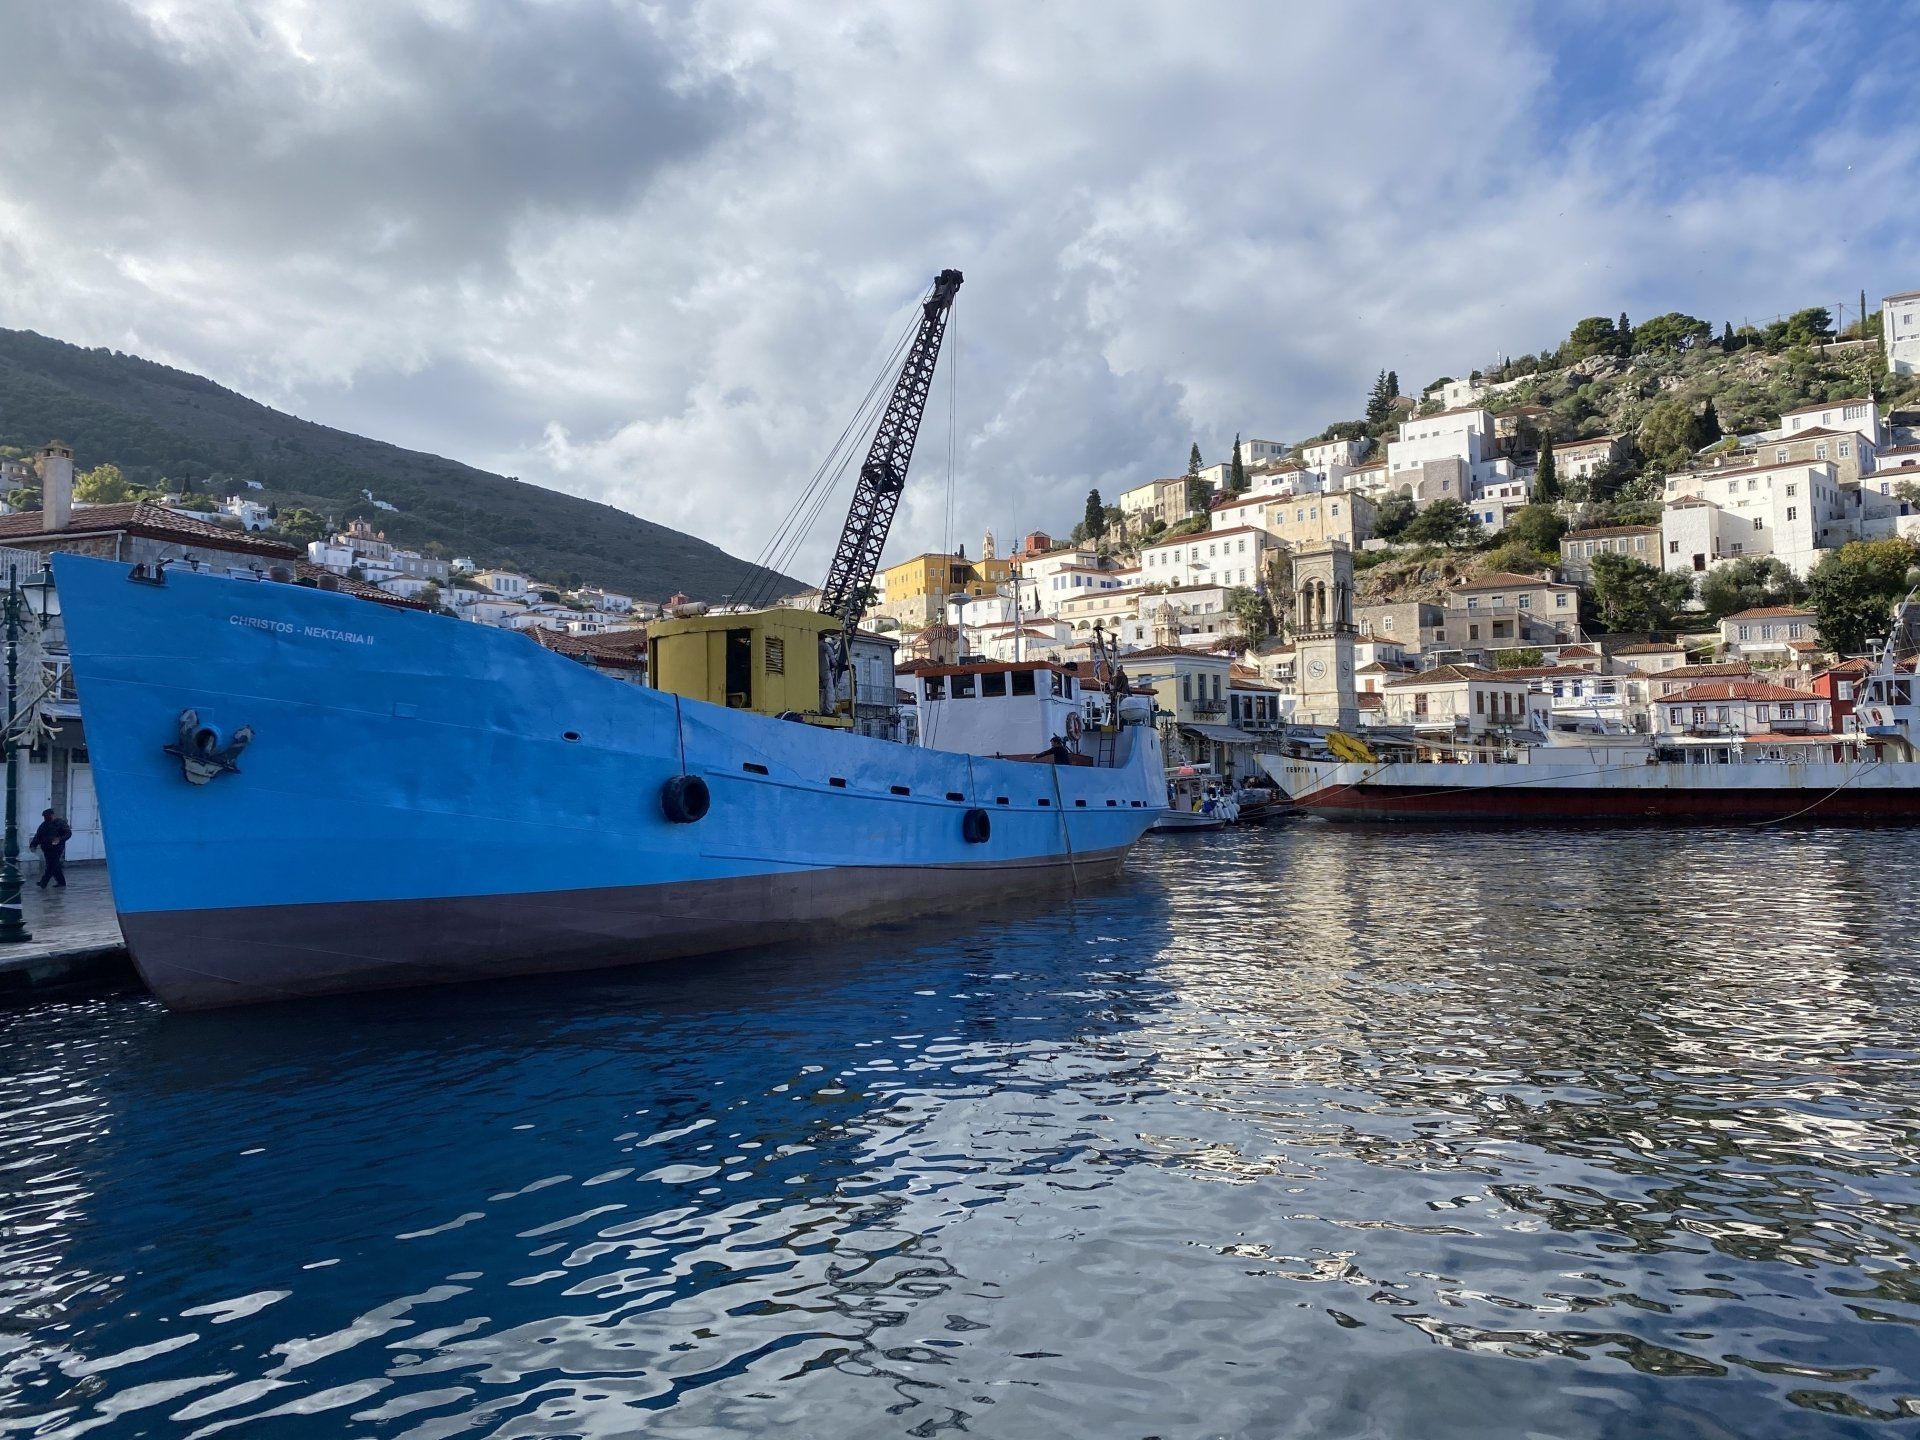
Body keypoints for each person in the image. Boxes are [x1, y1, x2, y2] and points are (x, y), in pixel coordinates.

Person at [30, 808, 70, 890]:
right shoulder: (43, 825)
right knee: (54, 865)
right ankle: (61, 882)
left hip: (57, 847)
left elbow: (68, 833)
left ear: (52, 815)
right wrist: (33, 845)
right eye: (44, 816)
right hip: (46, 848)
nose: (45, 818)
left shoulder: (60, 823)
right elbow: (38, 836)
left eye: (47, 816)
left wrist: (59, 839)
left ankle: (43, 882)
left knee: (51, 865)